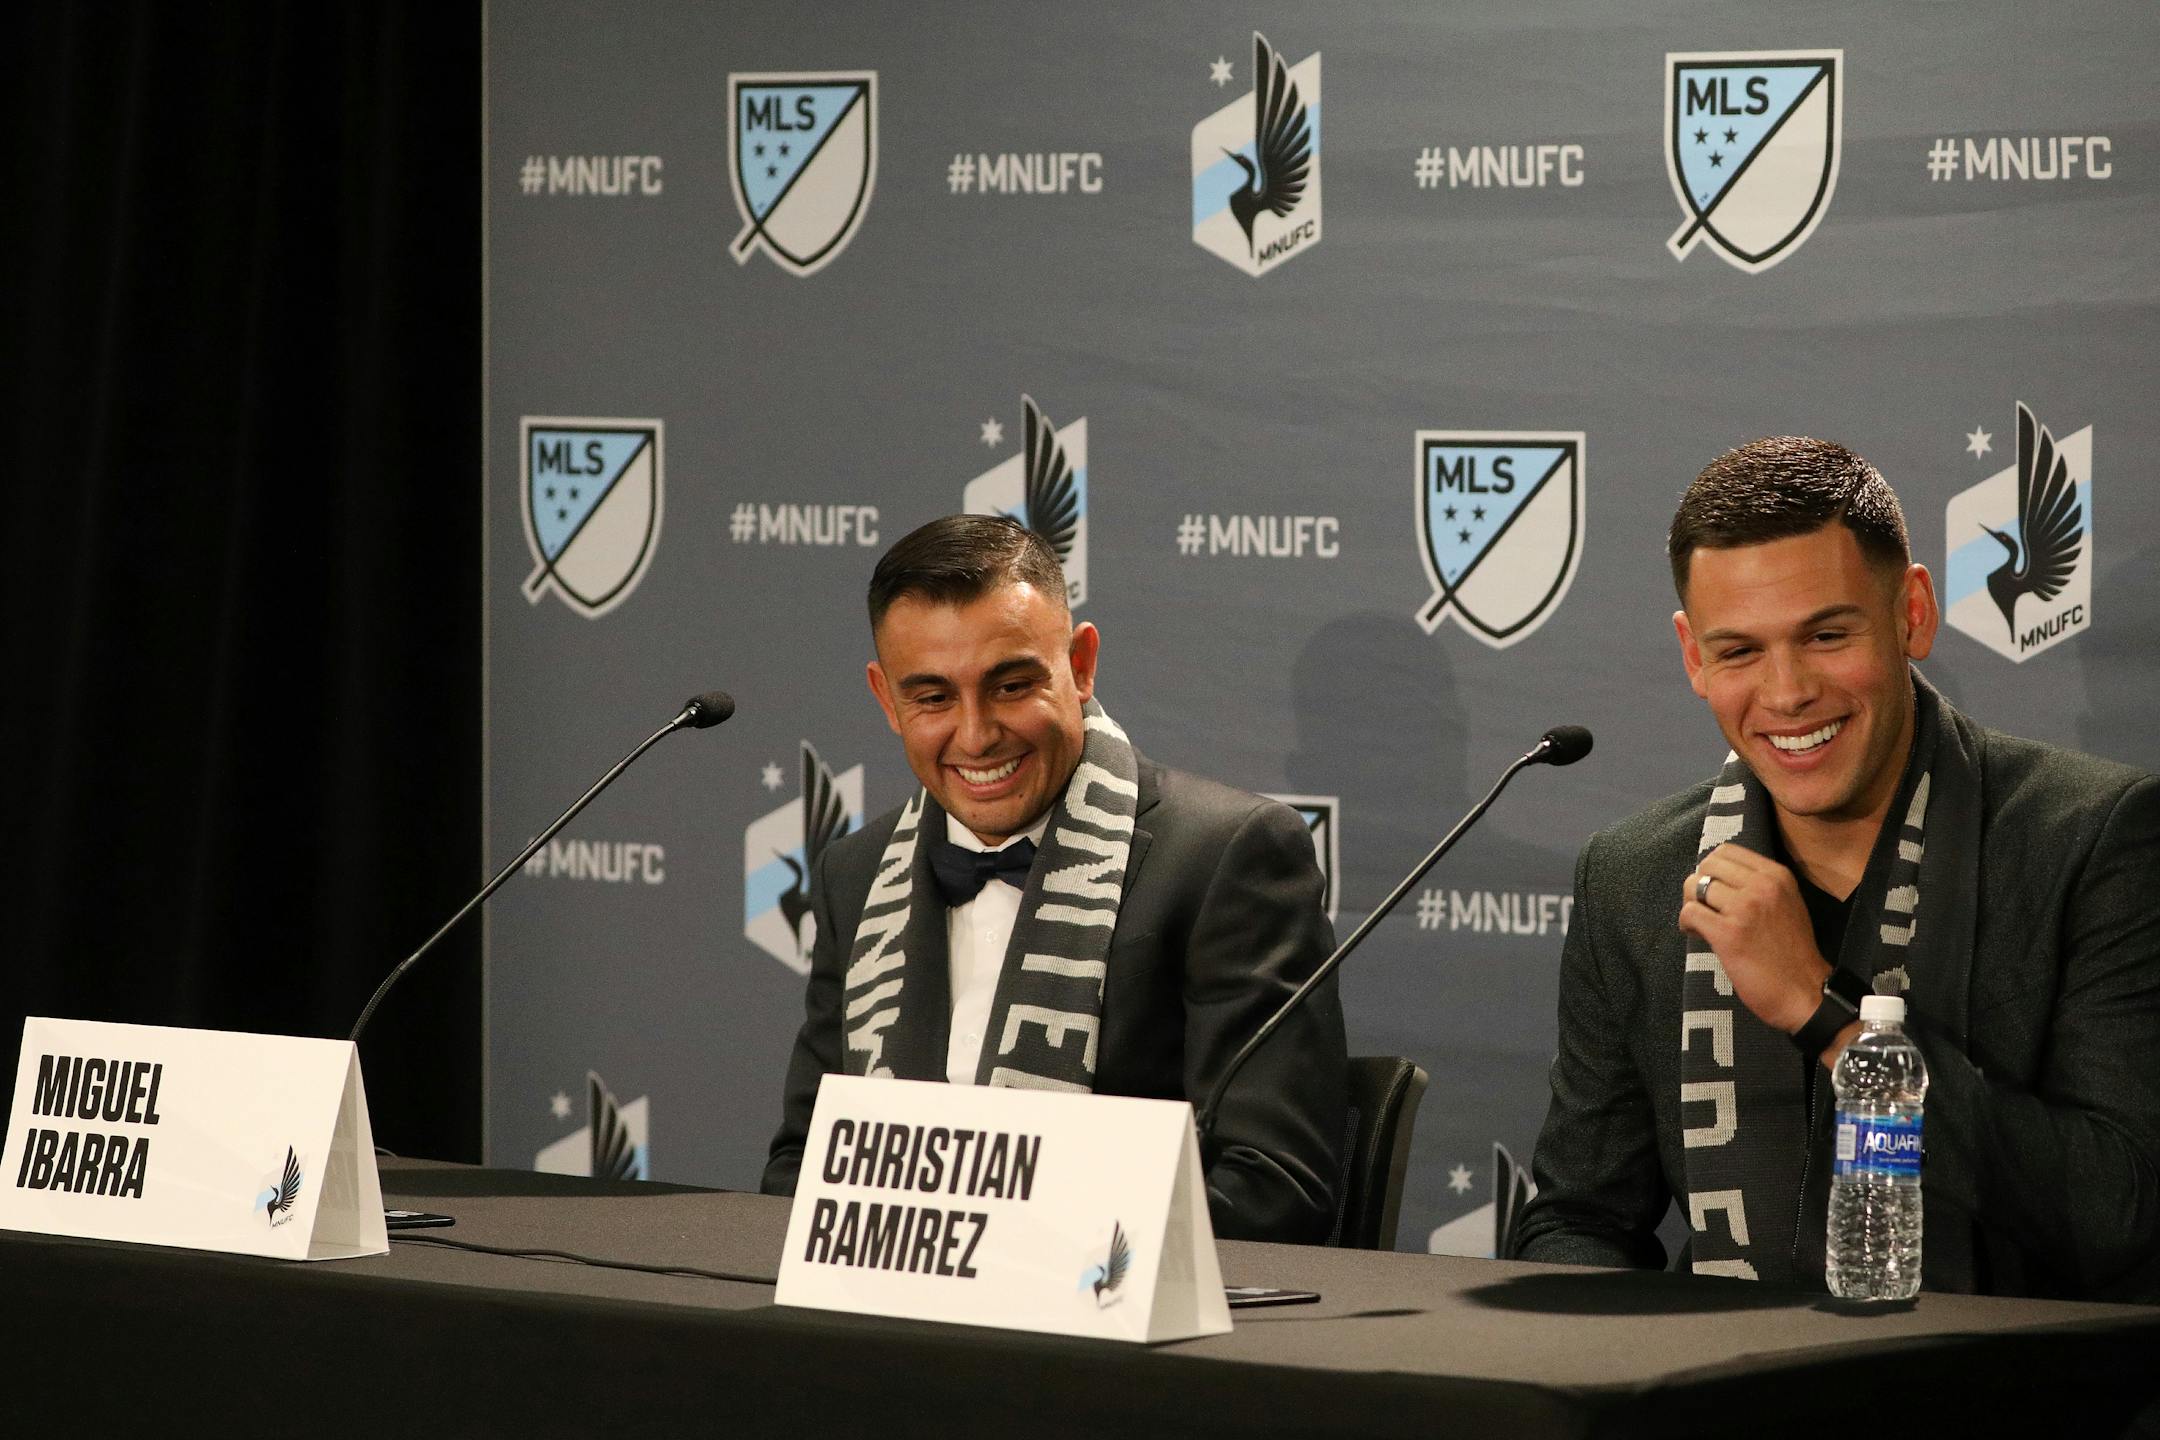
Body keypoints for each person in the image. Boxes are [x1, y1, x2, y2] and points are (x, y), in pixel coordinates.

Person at [1511, 434, 2160, 1300]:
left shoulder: (2092, 840)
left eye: (1825, 635)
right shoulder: (1632, 877)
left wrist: (1827, 1016)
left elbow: (2120, 1216)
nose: (1785, 695)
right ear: (1693, 657)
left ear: (1912, 614)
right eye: (1739, 650)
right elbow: (1579, 1220)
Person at [761, 514, 1348, 1244]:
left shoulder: (1227, 856)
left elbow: (1275, 1187)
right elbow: (803, 1166)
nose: (976, 735)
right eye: (934, 697)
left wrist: (1018, 1255)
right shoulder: (855, 874)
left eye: (1010, 685)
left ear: (1080, 663)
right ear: (887, 699)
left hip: (1121, 1339)